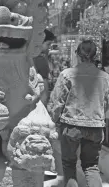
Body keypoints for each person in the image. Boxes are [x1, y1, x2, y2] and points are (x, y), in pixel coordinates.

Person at [47, 40, 109, 187]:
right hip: (95, 127)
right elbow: (106, 104)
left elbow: (57, 103)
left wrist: (53, 122)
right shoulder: (105, 77)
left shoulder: (67, 74)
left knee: (69, 165)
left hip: (71, 126)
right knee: (91, 166)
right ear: (95, 56)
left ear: (77, 55)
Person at [33, 29, 58, 177]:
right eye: (48, 44)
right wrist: (43, 108)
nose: (49, 47)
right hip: (39, 104)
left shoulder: (30, 57)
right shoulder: (40, 59)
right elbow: (45, 87)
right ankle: (45, 166)